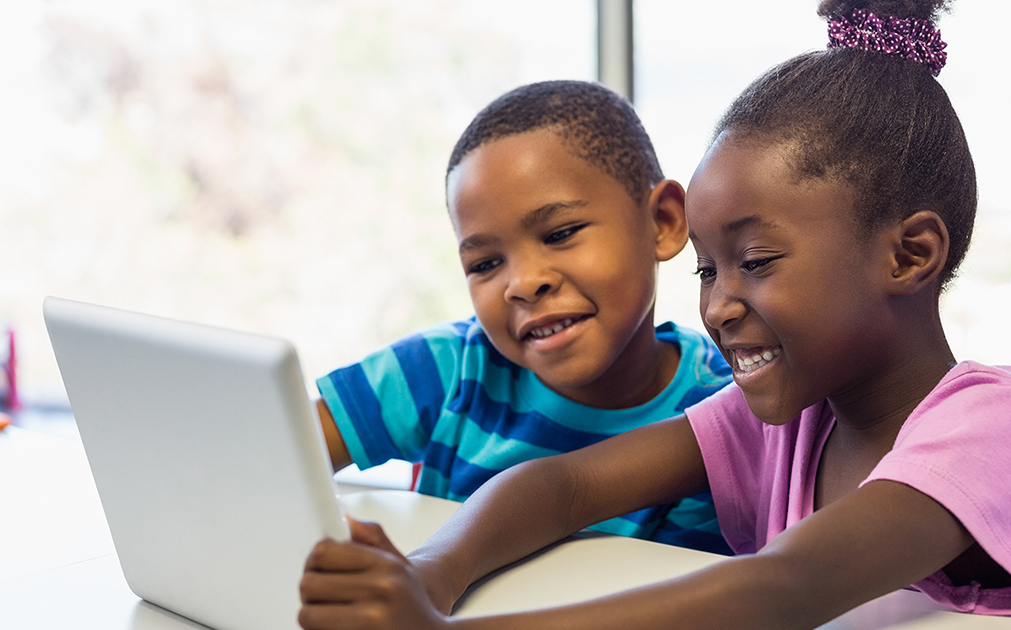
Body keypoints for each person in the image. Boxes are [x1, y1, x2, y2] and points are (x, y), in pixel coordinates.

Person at [297, 1, 1011, 628]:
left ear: (908, 255)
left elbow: (777, 591)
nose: (716, 304)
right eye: (706, 268)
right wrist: (430, 573)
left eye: (754, 261)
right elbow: (562, 485)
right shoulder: (783, 423)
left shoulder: (985, 428)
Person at [314, 80, 733, 552]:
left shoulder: (723, 417)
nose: (523, 283)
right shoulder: (447, 366)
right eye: (486, 264)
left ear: (663, 222)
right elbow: (273, 452)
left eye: (561, 233)